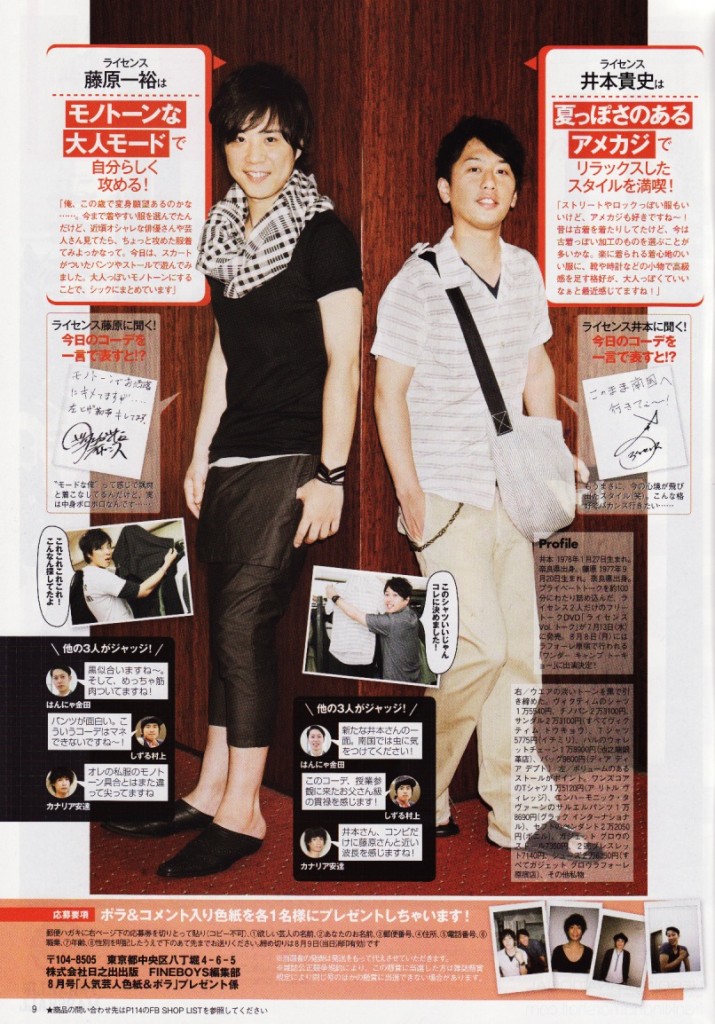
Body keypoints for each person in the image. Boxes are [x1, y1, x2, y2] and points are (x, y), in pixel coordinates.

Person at [103, 64, 362, 879]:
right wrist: (198, 450)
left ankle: (244, 810)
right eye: (241, 137)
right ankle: (211, 788)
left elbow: (345, 364)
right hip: (233, 455)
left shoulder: (322, 233)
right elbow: (224, 351)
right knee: (226, 628)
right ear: (223, 146)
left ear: (298, 146)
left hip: (292, 456)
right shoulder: (224, 237)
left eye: (272, 137)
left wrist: (332, 474)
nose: (255, 153)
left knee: (245, 626)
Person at [371, 115, 598, 858]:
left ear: (516, 191)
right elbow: (387, 393)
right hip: (445, 493)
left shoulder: (525, 269)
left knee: (519, 658)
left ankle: (517, 813)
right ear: (445, 188)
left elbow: (536, 366)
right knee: (479, 649)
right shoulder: (416, 282)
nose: (489, 181)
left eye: (502, 170)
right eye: (473, 168)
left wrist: (551, 451)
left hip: (511, 493)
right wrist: (409, 491)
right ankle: (414, 786)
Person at [325, 577, 421, 683]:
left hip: (397, 679)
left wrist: (334, 596)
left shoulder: (392, 622)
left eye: (395, 595)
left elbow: (355, 615)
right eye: (387, 594)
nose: (389, 599)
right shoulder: (411, 615)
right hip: (411, 674)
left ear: (406, 600)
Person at [78, 528, 178, 623]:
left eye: (108, 546)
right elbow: (143, 591)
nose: (108, 552)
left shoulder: (88, 574)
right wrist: (166, 564)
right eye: (100, 549)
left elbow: (118, 571)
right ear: (88, 554)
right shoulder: (100, 577)